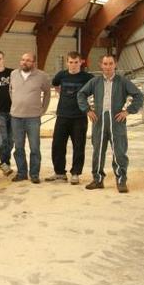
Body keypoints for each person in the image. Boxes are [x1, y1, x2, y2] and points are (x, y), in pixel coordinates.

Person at [78, 54, 143, 193]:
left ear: (115, 65)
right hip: (99, 121)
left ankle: (121, 181)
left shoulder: (123, 81)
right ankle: (97, 179)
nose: (108, 67)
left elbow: (139, 96)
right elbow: (81, 94)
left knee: (119, 151)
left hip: (117, 121)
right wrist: (87, 110)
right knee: (98, 151)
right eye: (105, 64)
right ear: (101, 65)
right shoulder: (95, 82)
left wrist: (128, 111)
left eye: (110, 64)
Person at [45, 52, 94, 185]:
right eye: (70, 62)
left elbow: (96, 90)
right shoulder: (62, 75)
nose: (73, 65)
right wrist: (60, 92)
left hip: (79, 117)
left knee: (78, 146)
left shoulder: (88, 77)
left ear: (81, 62)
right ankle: (60, 173)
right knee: (57, 145)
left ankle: (75, 173)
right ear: (67, 62)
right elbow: (55, 84)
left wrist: (90, 107)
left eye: (76, 62)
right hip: (62, 115)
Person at [9, 52, 51, 184]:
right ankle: (21, 173)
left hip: (33, 118)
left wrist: (42, 110)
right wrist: (17, 103)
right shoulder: (14, 74)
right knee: (19, 147)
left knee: (34, 147)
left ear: (34, 63)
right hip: (16, 117)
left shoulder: (42, 76)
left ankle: (34, 174)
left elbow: (47, 93)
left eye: (28, 60)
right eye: (22, 60)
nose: (24, 62)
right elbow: (11, 90)